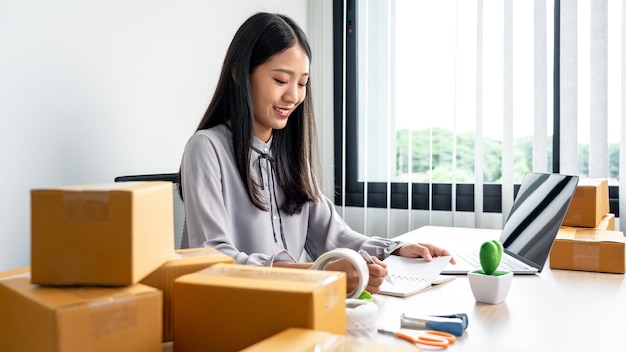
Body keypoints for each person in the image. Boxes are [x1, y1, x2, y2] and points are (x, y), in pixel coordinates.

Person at [178, 12, 455, 295]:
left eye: (301, 83)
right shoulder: (205, 148)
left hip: (294, 306)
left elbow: (333, 237)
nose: (294, 96)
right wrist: (316, 273)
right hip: (232, 310)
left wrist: (394, 251)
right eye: (281, 80)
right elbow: (212, 258)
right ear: (239, 73)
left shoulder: (290, 157)